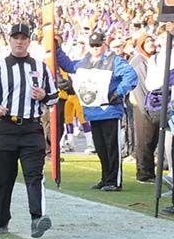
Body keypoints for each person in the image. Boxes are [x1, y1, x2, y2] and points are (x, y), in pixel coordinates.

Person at [0, 23, 58, 237]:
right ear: (10, 40)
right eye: (16, 38)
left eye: (23, 38)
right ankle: (2, 221)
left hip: (32, 127)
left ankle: (37, 218)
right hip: (6, 126)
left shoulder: (40, 67)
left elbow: (54, 95)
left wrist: (43, 96)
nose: (19, 42)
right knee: (4, 178)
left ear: (29, 41)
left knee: (35, 175)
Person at [56, 31, 138, 191]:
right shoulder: (86, 61)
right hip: (93, 110)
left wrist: (118, 92)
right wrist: (56, 49)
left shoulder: (114, 60)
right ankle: (105, 178)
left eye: (98, 45)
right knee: (100, 147)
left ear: (104, 44)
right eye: (92, 45)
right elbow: (69, 65)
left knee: (112, 147)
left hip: (109, 109)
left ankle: (114, 181)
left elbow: (131, 75)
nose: (95, 48)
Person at [129, 33, 159, 183]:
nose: (151, 43)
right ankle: (144, 173)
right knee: (144, 139)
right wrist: (147, 108)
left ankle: (148, 172)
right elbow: (142, 88)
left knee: (151, 139)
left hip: (151, 104)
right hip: (145, 106)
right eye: (147, 41)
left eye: (152, 40)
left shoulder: (150, 59)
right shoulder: (139, 61)